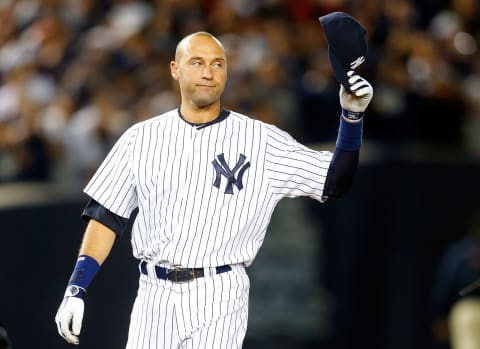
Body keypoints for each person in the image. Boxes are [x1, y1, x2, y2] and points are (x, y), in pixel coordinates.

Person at [55, 31, 373, 348]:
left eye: (218, 64)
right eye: (197, 62)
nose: (209, 73)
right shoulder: (140, 138)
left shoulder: (261, 140)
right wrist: (76, 288)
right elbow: (105, 217)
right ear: (175, 69)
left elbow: (336, 181)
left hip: (219, 292)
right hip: (153, 294)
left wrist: (352, 116)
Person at [432, 210, 480, 349]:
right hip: (467, 310)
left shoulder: (459, 252)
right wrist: (440, 316)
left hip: (465, 312)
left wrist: (439, 314)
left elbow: (444, 285)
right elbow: (446, 284)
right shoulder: (460, 252)